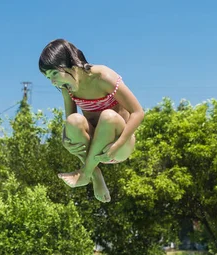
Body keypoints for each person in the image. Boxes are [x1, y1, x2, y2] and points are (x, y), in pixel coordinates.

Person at [38, 39, 144, 202]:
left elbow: (138, 112)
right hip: (95, 147)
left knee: (108, 117)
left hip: (119, 144)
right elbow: (71, 124)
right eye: (48, 77)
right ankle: (95, 173)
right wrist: (67, 140)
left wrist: (118, 145)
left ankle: (85, 173)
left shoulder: (102, 76)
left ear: (69, 63)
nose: (52, 81)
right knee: (72, 122)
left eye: (53, 73)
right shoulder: (67, 88)